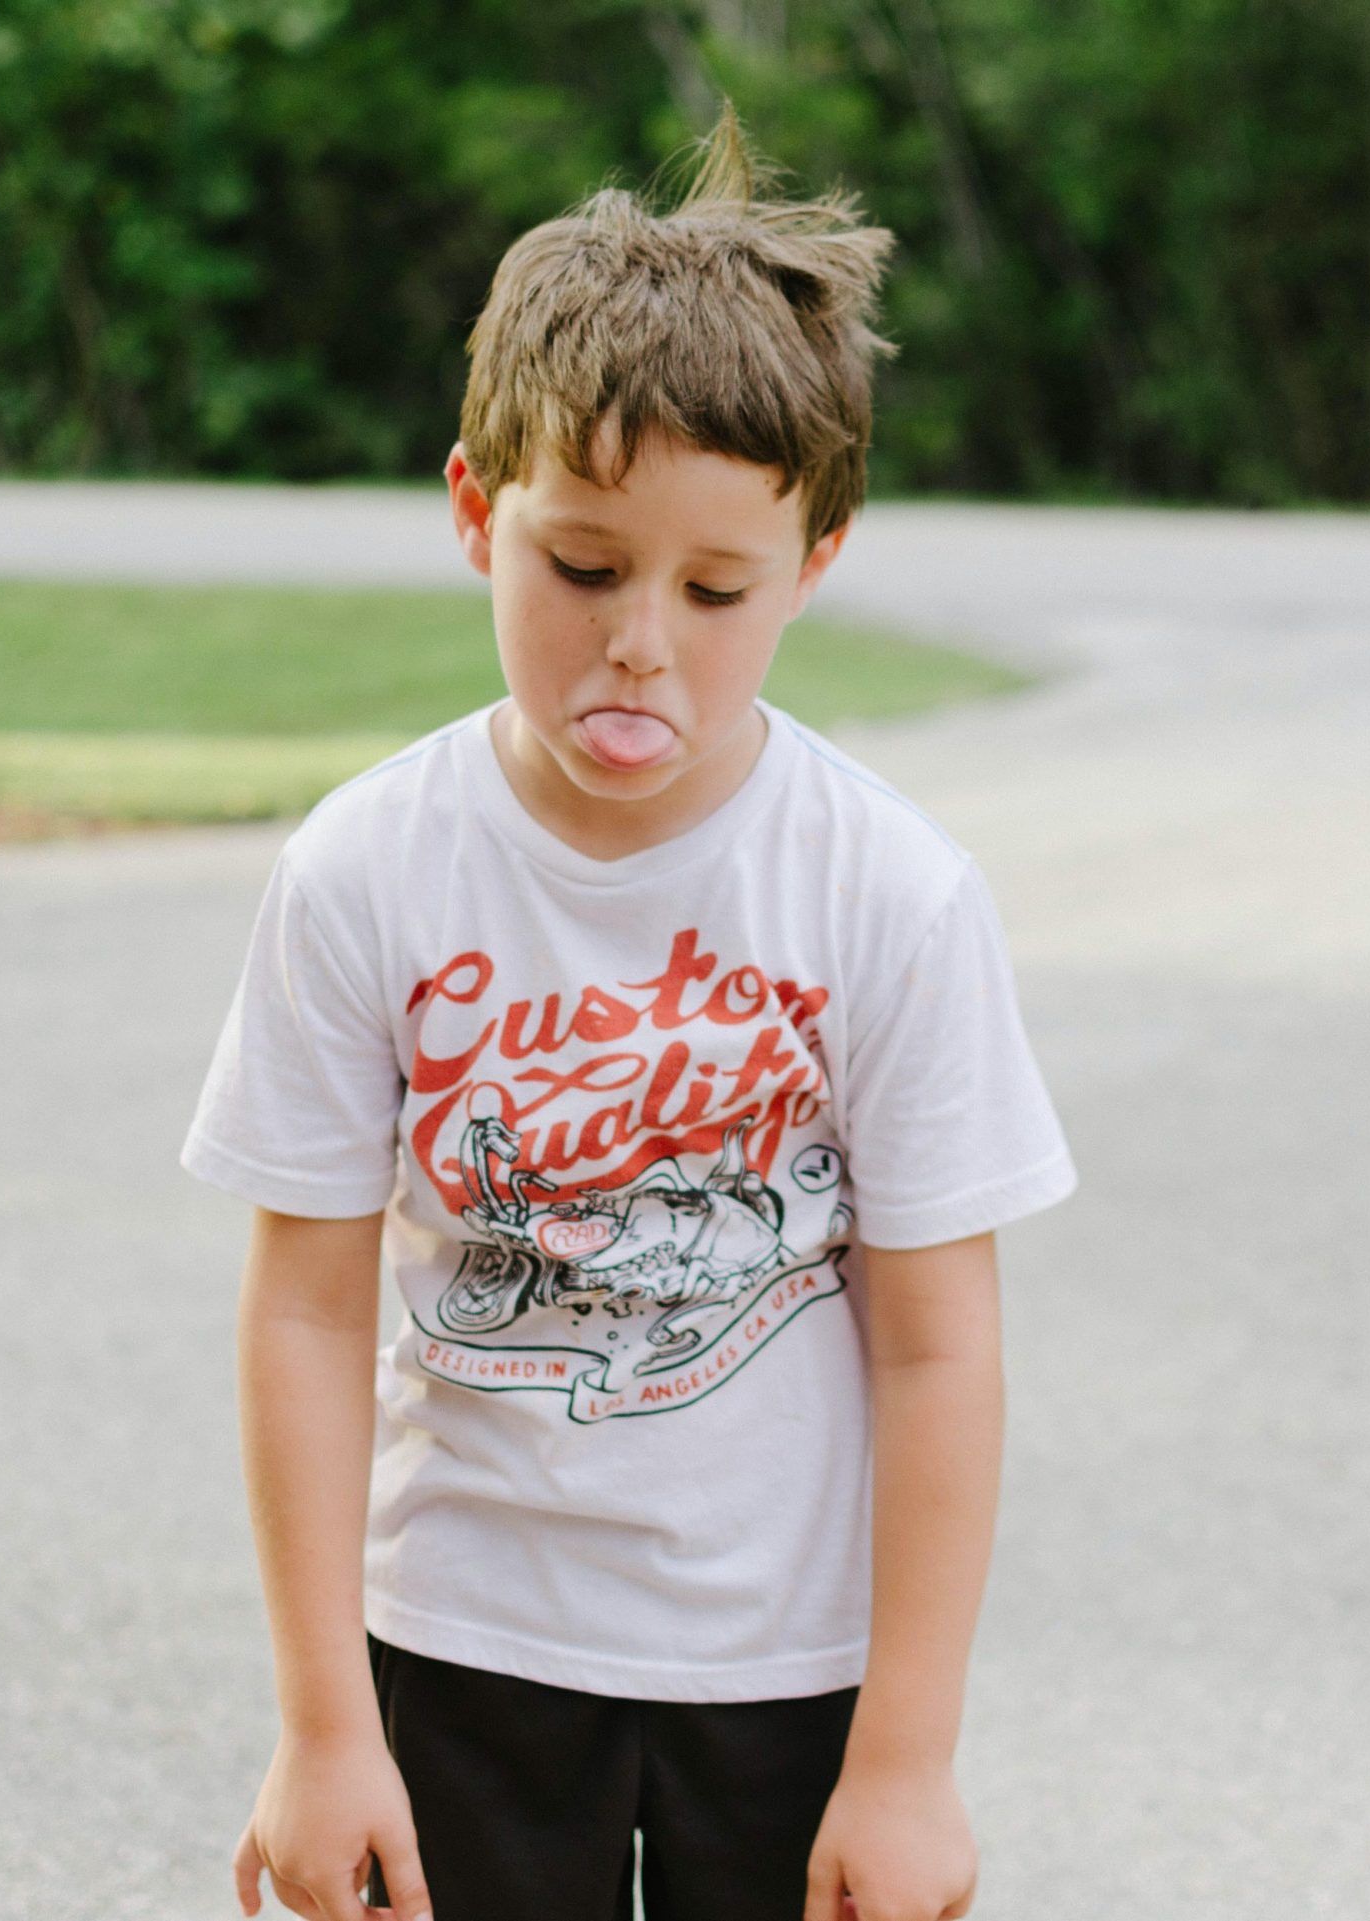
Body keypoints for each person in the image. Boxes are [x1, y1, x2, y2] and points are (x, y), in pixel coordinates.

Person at [180, 100, 1076, 1921]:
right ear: (474, 512)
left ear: (815, 559)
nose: (641, 640)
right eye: (582, 566)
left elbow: (938, 1346)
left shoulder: (887, 893)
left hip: (790, 1666)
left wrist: (906, 1759)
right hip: (463, 1642)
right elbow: (304, 1303)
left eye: (716, 587)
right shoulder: (367, 868)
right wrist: (321, 1726)